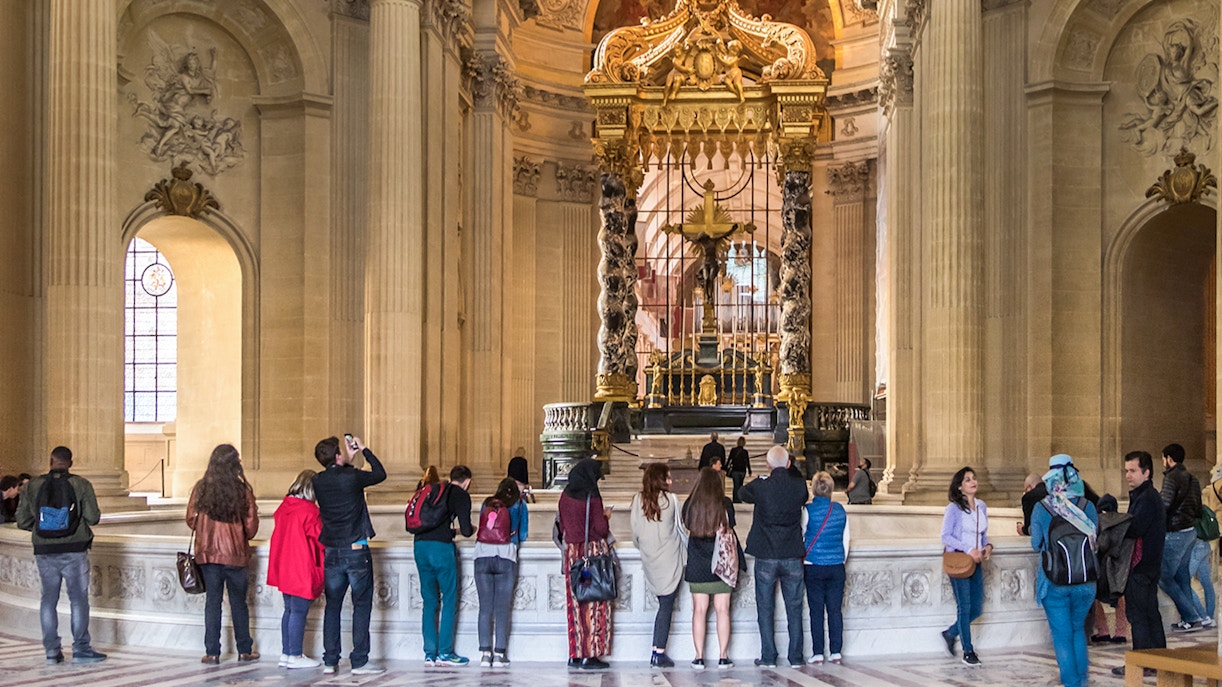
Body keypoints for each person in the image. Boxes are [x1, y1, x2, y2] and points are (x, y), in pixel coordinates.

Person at [16, 446, 106, 664]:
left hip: (45, 551)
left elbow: (23, 521)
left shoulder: (33, 485)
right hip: (75, 550)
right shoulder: (81, 484)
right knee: (78, 600)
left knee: (48, 599)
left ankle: (51, 651)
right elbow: (93, 517)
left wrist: (45, 531)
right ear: (70, 463)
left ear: (50, 461)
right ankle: (81, 649)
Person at [312, 435, 387, 675]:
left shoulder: (318, 480)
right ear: (337, 455)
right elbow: (379, 473)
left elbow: (340, 479)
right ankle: (359, 660)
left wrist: (347, 459)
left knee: (332, 606)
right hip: (356, 548)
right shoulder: (351, 477)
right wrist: (364, 449)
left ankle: (330, 659)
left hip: (332, 550)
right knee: (361, 605)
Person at [186, 444, 260, 665]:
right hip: (235, 555)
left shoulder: (201, 489)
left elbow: (191, 520)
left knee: (213, 603)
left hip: (208, 556)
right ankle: (244, 649)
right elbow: (251, 526)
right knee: (239, 603)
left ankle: (212, 652)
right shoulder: (241, 490)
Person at [1031, 454, 1098, 687]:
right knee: (1077, 627)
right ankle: (1082, 677)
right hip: (1086, 580)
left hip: (1054, 580)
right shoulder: (1087, 505)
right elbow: (1094, 539)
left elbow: (1036, 544)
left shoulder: (1042, 508)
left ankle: (1072, 683)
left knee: (1062, 634)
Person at [739, 445, 808, 667]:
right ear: (789, 464)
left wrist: (761, 478)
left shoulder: (761, 486)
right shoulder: (799, 486)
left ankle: (769, 656)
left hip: (767, 554)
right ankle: (796, 656)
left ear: (767, 465)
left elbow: (741, 493)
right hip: (792, 553)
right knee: (795, 607)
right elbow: (804, 498)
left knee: (765, 607)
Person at [414, 465, 474, 667]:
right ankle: (445, 653)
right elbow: (466, 530)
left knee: (429, 602)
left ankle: (429, 654)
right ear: (467, 481)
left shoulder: (435, 489)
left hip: (420, 546)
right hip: (441, 549)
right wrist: (464, 530)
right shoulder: (461, 495)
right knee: (449, 599)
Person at [1113, 450, 1166, 678]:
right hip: (1149, 566)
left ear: (1147, 472)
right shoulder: (1145, 496)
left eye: (1133, 470)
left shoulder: (1147, 499)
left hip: (1142, 567)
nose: (1128, 475)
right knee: (1150, 613)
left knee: (1139, 615)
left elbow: (1135, 529)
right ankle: (1158, 660)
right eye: (1126, 470)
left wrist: (1113, 521)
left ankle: (1142, 663)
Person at [557, 458, 613, 670]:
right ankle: (592, 654)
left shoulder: (564, 495)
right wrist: (606, 517)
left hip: (573, 556)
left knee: (575, 603)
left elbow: (562, 524)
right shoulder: (593, 496)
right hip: (591, 557)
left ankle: (575, 653)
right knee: (594, 603)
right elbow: (600, 529)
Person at [267, 470, 324, 669]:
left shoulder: (285, 507)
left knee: (289, 611)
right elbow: (321, 538)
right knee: (299, 612)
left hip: (285, 566)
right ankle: (296, 655)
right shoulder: (309, 511)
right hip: (301, 566)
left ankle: (286, 652)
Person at [630, 463, 685, 668]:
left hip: (649, 557)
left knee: (663, 603)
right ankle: (658, 652)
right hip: (669, 558)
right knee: (666, 605)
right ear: (661, 479)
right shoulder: (671, 500)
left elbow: (634, 533)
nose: (671, 481)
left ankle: (656, 649)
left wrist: (645, 547)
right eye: (668, 478)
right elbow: (680, 529)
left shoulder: (638, 500)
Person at [682, 467, 737, 669]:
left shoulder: (690, 504)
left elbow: (686, 525)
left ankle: (699, 657)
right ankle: (723, 656)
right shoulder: (726, 504)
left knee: (699, 610)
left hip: (697, 563)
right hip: (721, 564)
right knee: (723, 610)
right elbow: (732, 528)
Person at [940, 466, 991, 666]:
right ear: (960, 487)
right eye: (968, 480)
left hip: (976, 562)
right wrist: (969, 549)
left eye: (974, 478)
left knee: (977, 608)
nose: (973, 482)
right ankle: (968, 650)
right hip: (959, 560)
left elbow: (983, 534)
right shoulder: (953, 509)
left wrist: (987, 546)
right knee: (965, 606)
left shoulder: (981, 506)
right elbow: (945, 536)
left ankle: (950, 633)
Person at [474, 476, 527, 667]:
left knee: (485, 607)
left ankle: (485, 653)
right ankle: (499, 653)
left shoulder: (487, 503)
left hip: (482, 554)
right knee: (502, 608)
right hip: (506, 555)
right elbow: (523, 534)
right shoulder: (520, 504)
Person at [1157, 443, 1210, 630]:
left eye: (1163, 458)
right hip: (1190, 532)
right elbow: (1197, 508)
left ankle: (1190, 615)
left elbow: (1165, 505)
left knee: (1163, 577)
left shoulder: (1171, 478)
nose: (1163, 462)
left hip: (1175, 533)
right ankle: (1194, 618)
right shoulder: (1193, 479)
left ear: (1169, 459)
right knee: (1182, 577)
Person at [803, 471, 850, 664]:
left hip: (813, 564)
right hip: (836, 565)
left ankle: (817, 652)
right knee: (834, 610)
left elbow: (802, 535)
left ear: (813, 489)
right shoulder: (840, 510)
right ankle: (836, 651)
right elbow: (846, 539)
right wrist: (840, 558)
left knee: (816, 610)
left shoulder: (807, 510)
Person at [1091, 494, 1130, 644]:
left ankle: (1103, 630)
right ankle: (1121, 632)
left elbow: (1101, 544)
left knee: (1094, 597)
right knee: (1120, 597)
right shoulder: (1125, 520)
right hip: (1121, 565)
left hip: (1103, 565)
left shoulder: (1100, 520)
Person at [727, 437, 751, 503]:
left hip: (735, 470)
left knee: (735, 485)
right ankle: (739, 498)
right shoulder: (745, 452)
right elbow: (747, 462)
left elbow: (729, 460)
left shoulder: (733, 450)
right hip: (742, 470)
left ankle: (735, 499)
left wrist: (725, 467)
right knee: (740, 485)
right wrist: (749, 470)